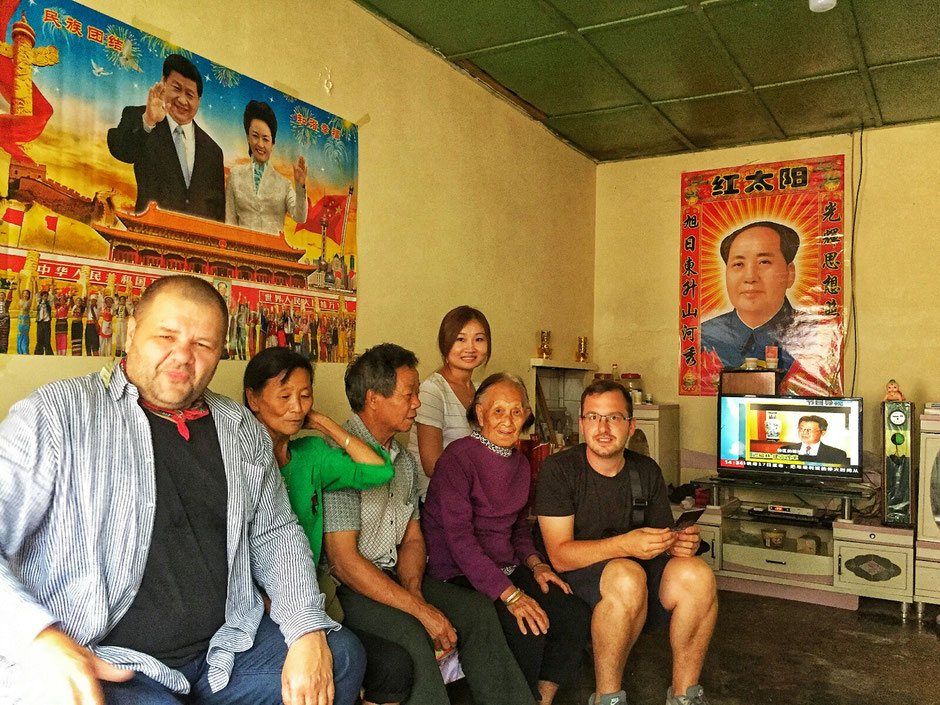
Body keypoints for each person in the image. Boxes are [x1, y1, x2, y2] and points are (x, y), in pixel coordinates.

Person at [0, 275, 364, 705]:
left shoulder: (240, 427)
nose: (182, 357)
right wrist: (40, 639)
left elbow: (276, 533)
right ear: (132, 332)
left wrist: (305, 628)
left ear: (220, 354)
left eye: (203, 345)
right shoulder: (58, 413)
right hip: (108, 659)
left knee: (340, 657)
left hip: (225, 650)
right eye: (166, 336)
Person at [322, 343, 538, 705]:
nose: (417, 404)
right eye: (409, 395)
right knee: (412, 630)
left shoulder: (402, 461)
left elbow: (412, 538)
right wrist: (416, 609)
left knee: (478, 611)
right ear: (374, 399)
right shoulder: (338, 459)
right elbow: (344, 564)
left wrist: (415, 591)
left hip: (396, 576)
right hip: (349, 589)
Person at [244, 346, 414, 705]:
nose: (297, 406)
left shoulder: (311, 455)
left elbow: (379, 470)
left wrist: (321, 422)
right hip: (256, 603)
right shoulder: (237, 458)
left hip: (311, 595)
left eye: (305, 396)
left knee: (394, 664)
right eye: (285, 395)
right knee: (348, 661)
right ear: (253, 399)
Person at [535, 379, 718, 705]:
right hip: (578, 574)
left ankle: (684, 694)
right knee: (626, 575)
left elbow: (661, 539)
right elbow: (560, 556)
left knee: (698, 575)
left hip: (632, 570)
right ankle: (608, 697)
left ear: (631, 426)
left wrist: (679, 543)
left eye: (614, 417)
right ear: (581, 424)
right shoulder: (559, 470)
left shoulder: (645, 470)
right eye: (593, 417)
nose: (603, 427)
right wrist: (626, 545)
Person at [423, 373, 591, 704]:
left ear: (526, 416)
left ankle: (539, 699)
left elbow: (516, 530)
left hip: (505, 569)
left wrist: (537, 565)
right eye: (498, 411)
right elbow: (460, 540)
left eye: (516, 411)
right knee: (527, 628)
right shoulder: (458, 458)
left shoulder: (518, 463)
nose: (508, 420)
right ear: (480, 413)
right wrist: (511, 596)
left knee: (572, 614)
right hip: (459, 574)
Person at [107, 54, 225, 222]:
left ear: (198, 100)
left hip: (196, 242)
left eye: (190, 95)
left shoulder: (213, 151)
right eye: (177, 88)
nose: (182, 100)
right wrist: (148, 121)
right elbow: (122, 150)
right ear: (163, 83)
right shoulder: (139, 118)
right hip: (149, 233)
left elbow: (218, 212)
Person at [407, 305, 490, 502]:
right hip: (436, 502)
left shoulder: (481, 391)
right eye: (460, 339)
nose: (470, 348)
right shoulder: (433, 390)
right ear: (445, 343)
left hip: (470, 497)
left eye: (479, 339)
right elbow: (432, 466)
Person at [700, 221, 805, 375]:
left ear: (790, 273)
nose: (750, 277)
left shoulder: (815, 335)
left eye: (764, 262)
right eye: (738, 264)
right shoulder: (704, 336)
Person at [225, 100, 308, 235]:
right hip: (242, 250)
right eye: (255, 136)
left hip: (273, 253)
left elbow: (300, 216)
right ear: (248, 137)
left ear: (272, 144)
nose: (260, 144)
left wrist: (300, 186)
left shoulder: (284, 184)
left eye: (266, 139)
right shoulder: (235, 175)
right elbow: (230, 221)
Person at [778, 415, 848, 465]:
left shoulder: (837, 454)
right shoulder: (784, 450)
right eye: (801, 429)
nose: (804, 432)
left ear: (822, 433)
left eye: (809, 430)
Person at [33, 289, 53, 355]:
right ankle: (38, 353)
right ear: (41, 297)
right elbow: (36, 295)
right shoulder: (39, 303)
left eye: (46, 296)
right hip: (40, 322)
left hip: (46, 322)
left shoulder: (49, 303)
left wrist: (51, 290)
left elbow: (52, 297)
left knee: (47, 339)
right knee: (39, 338)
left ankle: (48, 353)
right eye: (44, 296)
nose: (45, 297)